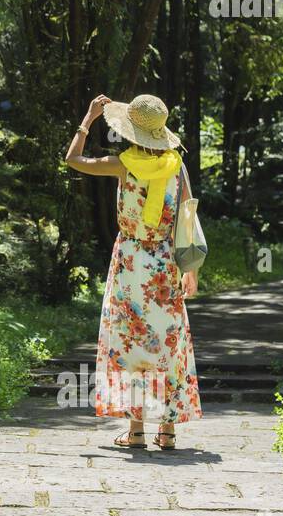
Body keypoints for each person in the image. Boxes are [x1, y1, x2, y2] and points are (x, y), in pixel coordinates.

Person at [64, 93, 202, 449]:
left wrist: (88, 119)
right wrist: (192, 270)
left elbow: (73, 159)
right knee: (169, 343)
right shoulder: (177, 166)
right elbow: (187, 218)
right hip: (166, 265)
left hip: (130, 262)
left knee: (131, 343)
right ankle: (168, 431)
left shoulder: (123, 164)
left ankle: (137, 430)